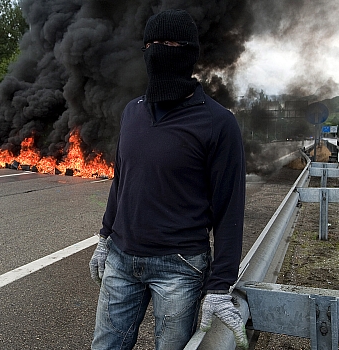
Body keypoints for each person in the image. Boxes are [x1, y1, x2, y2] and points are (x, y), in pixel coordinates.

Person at [89, 9, 248, 350]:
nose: (161, 51)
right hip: (121, 258)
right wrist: (105, 236)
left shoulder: (218, 123)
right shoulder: (132, 112)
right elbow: (123, 180)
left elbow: (229, 209)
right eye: (153, 43)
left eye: (172, 43)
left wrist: (220, 285)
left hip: (179, 268)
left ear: (190, 53)